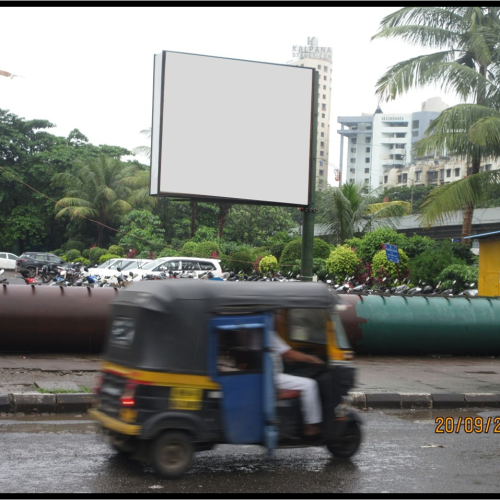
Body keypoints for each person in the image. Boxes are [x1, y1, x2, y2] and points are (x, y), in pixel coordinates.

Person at [270, 330, 325, 438]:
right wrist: (312, 359)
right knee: (309, 384)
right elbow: (289, 353)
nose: (279, 318)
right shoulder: (269, 333)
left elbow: (285, 355)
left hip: (266, 376)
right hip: (273, 378)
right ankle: (311, 427)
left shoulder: (255, 331)